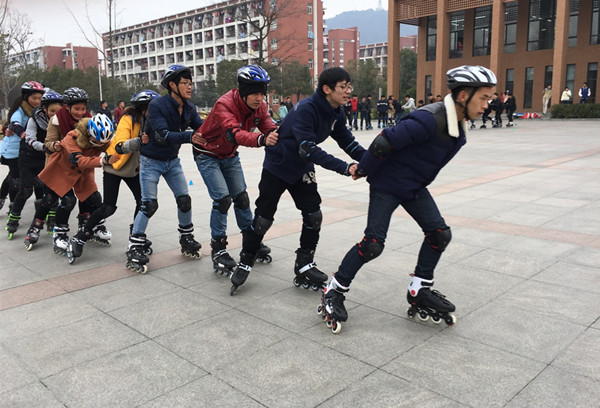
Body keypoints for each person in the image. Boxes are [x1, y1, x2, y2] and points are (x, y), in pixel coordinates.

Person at [317, 65, 497, 334]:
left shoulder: (457, 124)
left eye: (489, 99)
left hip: (412, 186)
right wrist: (364, 168)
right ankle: (334, 289)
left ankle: (419, 290)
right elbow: (382, 143)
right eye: (484, 98)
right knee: (373, 244)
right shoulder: (429, 118)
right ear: (463, 97)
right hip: (388, 184)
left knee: (439, 235)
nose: (487, 105)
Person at [228, 67, 367, 295]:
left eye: (349, 86)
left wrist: (372, 160)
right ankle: (246, 259)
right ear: (327, 89)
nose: (348, 91)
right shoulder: (306, 110)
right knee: (263, 219)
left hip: (302, 168)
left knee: (313, 215)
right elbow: (309, 149)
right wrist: (346, 168)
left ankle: (304, 264)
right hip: (279, 165)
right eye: (343, 87)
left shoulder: (336, 112)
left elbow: (348, 143)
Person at [192, 65, 278, 276]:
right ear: (243, 91)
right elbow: (234, 133)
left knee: (241, 198)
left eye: (262, 93)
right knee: (222, 200)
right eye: (255, 93)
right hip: (207, 153)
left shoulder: (260, 107)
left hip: (229, 155)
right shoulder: (224, 104)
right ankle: (219, 249)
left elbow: (270, 127)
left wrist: (288, 136)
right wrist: (261, 140)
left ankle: (251, 242)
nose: (259, 98)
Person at [125, 65, 204, 274]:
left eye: (190, 83)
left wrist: (224, 129)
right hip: (151, 160)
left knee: (184, 199)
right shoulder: (157, 105)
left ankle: (186, 237)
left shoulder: (188, 107)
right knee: (149, 204)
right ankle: (135, 245)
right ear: (172, 85)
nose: (189, 87)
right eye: (185, 83)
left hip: (172, 161)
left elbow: (202, 127)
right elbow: (162, 135)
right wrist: (190, 137)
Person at [39, 114, 117, 263]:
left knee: (95, 198)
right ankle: (59, 234)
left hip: (83, 174)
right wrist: (103, 160)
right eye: (95, 141)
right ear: (88, 133)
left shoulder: (101, 141)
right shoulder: (71, 138)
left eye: (102, 142)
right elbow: (79, 160)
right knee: (68, 201)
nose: (98, 145)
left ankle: (94, 226)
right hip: (63, 172)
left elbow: (112, 148)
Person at [101, 90, 161, 257]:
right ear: (143, 109)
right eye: (153, 108)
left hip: (133, 170)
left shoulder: (151, 121)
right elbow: (121, 142)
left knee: (145, 203)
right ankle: (81, 235)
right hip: (115, 165)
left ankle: (135, 234)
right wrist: (140, 141)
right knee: (108, 207)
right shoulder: (128, 119)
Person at [44, 87, 95, 253]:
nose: (80, 112)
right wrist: (56, 146)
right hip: (61, 166)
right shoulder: (56, 120)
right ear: (67, 107)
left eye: (83, 108)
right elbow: (47, 143)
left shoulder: (90, 120)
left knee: (90, 197)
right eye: (76, 109)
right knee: (68, 201)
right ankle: (59, 232)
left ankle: (86, 225)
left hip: (81, 165)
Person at [18, 90, 63, 249]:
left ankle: (56, 222)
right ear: (45, 109)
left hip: (60, 160)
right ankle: (34, 227)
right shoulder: (34, 119)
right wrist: (46, 147)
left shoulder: (64, 119)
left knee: (63, 197)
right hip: (34, 156)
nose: (54, 115)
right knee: (44, 194)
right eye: (52, 111)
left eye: (58, 111)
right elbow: (30, 139)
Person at [2, 81, 44, 238]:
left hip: (32, 151)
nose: (37, 101)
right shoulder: (19, 110)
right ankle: (10, 206)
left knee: (39, 182)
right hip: (14, 150)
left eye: (40, 98)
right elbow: (15, 124)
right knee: (17, 181)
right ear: (26, 97)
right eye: (34, 98)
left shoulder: (39, 110)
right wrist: (22, 134)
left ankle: (42, 212)